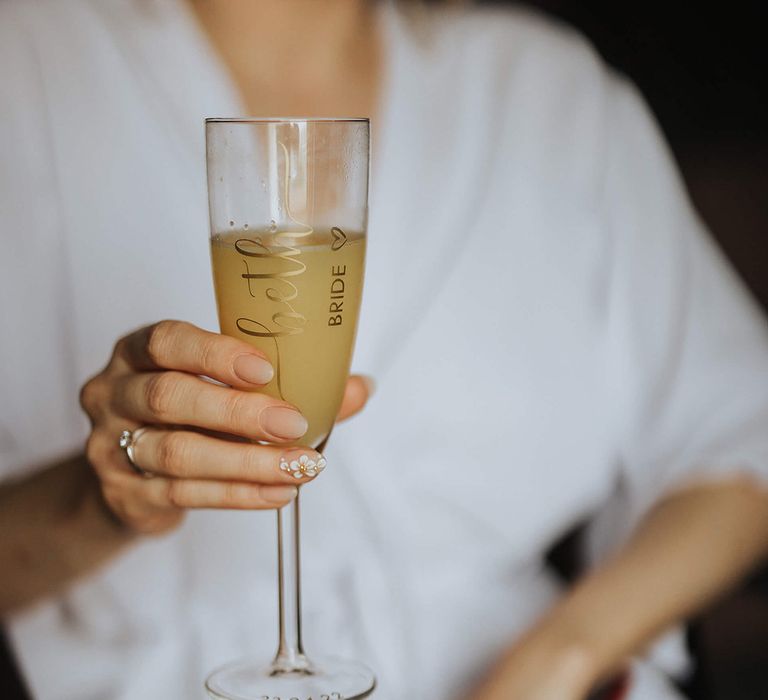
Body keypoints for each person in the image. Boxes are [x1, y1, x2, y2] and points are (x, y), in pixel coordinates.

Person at [1, 1, 767, 698]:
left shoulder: (546, 90)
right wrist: (102, 496)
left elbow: (742, 430)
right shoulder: (28, 61)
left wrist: (563, 654)